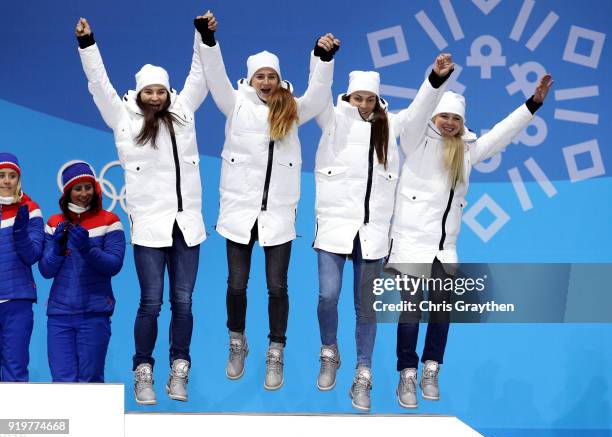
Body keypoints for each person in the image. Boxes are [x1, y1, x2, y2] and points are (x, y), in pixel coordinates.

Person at [388, 75, 554, 409]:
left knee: (441, 312)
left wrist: (532, 104)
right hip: (410, 243)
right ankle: (406, 373)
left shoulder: (467, 150)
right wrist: (434, 81)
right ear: (434, 117)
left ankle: (431, 369)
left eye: (455, 118)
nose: (448, 123)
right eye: (443, 117)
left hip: (444, 248)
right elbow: (418, 111)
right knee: (410, 312)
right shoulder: (414, 141)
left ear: (462, 122)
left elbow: (502, 134)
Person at [75, 14, 213, 403]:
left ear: (168, 93)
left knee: (183, 303)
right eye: (148, 92)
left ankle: (179, 370)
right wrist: (88, 45)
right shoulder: (122, 118)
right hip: (150, 230)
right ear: (138, 94)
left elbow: (200, 74)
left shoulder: (183, 112)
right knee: (151, 303)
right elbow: (98, 85)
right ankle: (144, 372)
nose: (156, 98)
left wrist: (201, 35)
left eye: (160, 92)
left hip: (187, 228)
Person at [195, 11, 337, 390]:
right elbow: (215, 76)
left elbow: (320, 95)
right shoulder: (235, 104)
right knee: (237, 285)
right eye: (260, 76)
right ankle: (236, 342)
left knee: (277, 287)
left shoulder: (292, 111)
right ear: (251, 79)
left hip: (277, 216)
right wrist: (207, 39)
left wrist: (322, 58)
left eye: (272, 76)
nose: (267, 82)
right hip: (239, 214)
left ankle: (276, 351)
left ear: (278, 79)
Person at [311, 55, 454, 411]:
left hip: (372, 233)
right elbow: (318, 91)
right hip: (334, 227)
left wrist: (435, 78)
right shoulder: (331, 119)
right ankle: (329, 350)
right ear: (347, 98)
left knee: (367, 309)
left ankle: (363, 374)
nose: (363, 104)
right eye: (357, 97)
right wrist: (323, 58)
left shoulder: (391, 125)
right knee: (328, 295)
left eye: (369, 99)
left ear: (377, 101)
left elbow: (422, 108)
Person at [39, 162, 125, 383]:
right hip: (59, 316)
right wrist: (58, 249)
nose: (84, 193)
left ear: (95, 188)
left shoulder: (110, 221)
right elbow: (46, 270)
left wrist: (88, 249)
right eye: (78, 188)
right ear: (68, 191)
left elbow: (113, 265)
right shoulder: (54, 223)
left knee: (91, 381)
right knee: (62, 381)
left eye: (88, 187)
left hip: (94, 314)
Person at [0, 153, 44, 382]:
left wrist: (20, 232)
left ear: (19, 179)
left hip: (17, 300)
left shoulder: (30, 208)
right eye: (1, 175)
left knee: (14, 368)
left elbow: (33, 255)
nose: (7, 181)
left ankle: (10, 418)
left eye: (12, 176)